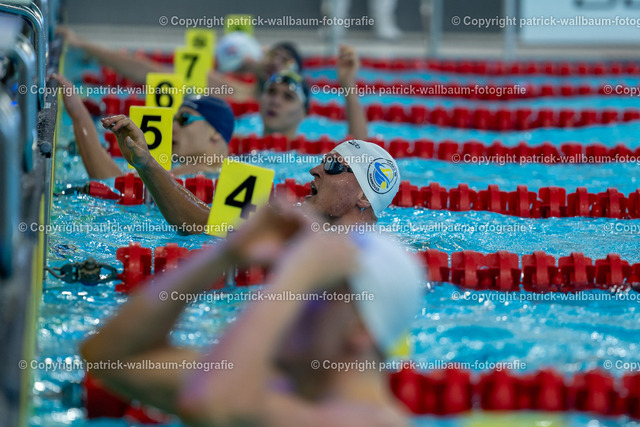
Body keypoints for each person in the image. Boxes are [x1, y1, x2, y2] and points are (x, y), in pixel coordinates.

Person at [81, 203, 424, 426]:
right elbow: (110, 358)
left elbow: (211, 404)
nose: (291, 300)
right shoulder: (271, 391)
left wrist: (297, 272)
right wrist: (227, 252)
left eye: (316, 286)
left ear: (361, 328)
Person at [105, 105, 397, 233]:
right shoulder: (296, 223)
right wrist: (146, 163)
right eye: (323, 159)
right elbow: (207, 222)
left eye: (333, 165)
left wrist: (147, 165)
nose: (314, 170)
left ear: (363, 196)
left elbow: (204, 225)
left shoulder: (364, 258)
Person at [52, 73, 235, 178]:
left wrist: (79, 114)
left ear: (215, 132)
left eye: (184, 119)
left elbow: (114, 183)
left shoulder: (199, 172)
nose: (172, 128)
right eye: (173, 120)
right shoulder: (213, 173)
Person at [57, 26, 303, 101]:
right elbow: (150, 72)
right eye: (274, 55)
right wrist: (84, 45)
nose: (276, 62)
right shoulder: (225, 87)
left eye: (285, 61)